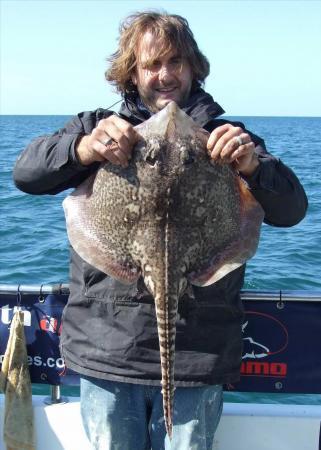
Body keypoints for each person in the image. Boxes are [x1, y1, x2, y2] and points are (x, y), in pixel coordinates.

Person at [13, 11, 308, 450]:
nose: (165, 75)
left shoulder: (224, 137)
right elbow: (27, 174)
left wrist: (250, 165)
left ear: (192, 67)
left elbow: (292, 210)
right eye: (152, 65)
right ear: (132, 72)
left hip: (197, 355)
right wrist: (83, 148)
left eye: (175, 62)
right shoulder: (99, 127)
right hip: (109, 353)